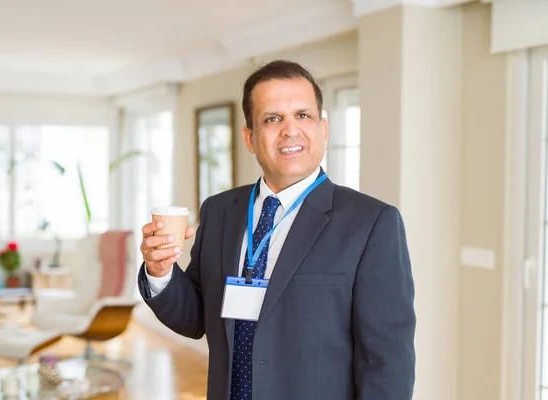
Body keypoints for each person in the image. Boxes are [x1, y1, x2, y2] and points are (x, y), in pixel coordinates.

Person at [138, 60, 416, 400]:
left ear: (323, 129)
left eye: (303, 115)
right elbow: (197, 317)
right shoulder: (220, 210)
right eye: (273, 119)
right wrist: (160, 272)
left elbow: (387, 363)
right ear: (250, 138)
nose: (290, 130)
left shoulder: (372, 223)